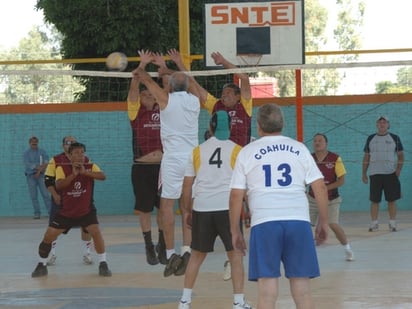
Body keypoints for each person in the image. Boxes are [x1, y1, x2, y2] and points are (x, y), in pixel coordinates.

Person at [229, 103, 329, 309]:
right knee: (302, 290)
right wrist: (323, 222)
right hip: (298, 222)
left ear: (258, 126)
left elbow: (236, 195)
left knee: (266, 292)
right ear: (283, 124)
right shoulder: (299, 148)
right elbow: (320, 187)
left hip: (265, 223)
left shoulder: (247, 152)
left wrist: (235, 231)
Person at [166, 49, 252, 280]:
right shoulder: (216, 107)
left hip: (239, 162)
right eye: (222, 93)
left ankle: (233, 253)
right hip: (220, 165)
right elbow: (194, 86)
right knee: (224, 207)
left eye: (227, 93)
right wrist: (180, 64)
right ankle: (227, 253)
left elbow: (243, 78)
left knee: (241, 204)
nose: (223, 96)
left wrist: (223, 61)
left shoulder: (245, 105)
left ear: (236, 95)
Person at [135, 51, 201, 277]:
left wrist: (143, 64)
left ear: (171, 87)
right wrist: (169, 67)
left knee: (166, 206)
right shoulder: (196, 100)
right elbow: (191, 83)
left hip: (172, 159)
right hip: (193, 158)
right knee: (188, 207)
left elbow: (143, 78)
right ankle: (187, 249)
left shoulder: (165, 99)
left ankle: (171, 252)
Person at [178, 111, 252, 309]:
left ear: (210, 127)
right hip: (228, 209)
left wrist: (187, 211)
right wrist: (248, 209)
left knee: (196, 256)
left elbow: (186, 186)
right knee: (235, 257)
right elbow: (244, 186)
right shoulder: (238, 150)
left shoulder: (197, 151)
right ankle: (238, 302)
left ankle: (184, 301)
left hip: (202, 208)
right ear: (230, 127)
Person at [31, 142, 112, 278]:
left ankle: (103, 264)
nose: (80, 156)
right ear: (69, 155)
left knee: (96, 232)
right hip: (66, 212)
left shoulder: (90, 165)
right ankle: (41, 264)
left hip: (86, 211)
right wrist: (74, 175)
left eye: (82, 153)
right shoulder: (62, 168)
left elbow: (103, 176)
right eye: (76, 153)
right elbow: (59, 185)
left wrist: (85, 172)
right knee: (48, 237)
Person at [127, 52, 166, 266]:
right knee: (144, 210)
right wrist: (141, 65)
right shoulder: (136, 112)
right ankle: (148, 245)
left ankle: (161, 244)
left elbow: (167, 88)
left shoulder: (164, 109)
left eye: (150, 94)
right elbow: (133, 91)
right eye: (145, 95)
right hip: (142, 168)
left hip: (163, 168)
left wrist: (162, 66)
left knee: (163, 207)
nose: (148, 96)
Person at [44, 136, 94, 266]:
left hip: (80, 201)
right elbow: (48, 180)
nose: (70, 144)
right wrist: (55, 195)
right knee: (53, 229)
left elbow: (91, 177)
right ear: (63, 146)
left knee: (86, 227)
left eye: (73, 142)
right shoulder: (55, 160)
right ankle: (52, 254)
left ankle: (87, 253)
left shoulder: (86, 159)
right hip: (62, 201)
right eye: (68, 142)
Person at [308, 133, 354, 261]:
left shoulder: (335, 158)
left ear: (326, 144)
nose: (317, 143)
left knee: (333, 223)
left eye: (320, 140)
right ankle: (306, 252)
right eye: (315, 141)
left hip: (331, 199)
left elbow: (341, 181)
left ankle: (347, 248)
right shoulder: (309, 158)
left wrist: (324, 189)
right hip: (312, 198)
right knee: (304, 225)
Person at [362, 116, 404, 232]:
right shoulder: (371, 138)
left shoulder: (395, 138)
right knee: (374, 200)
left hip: (390, 174)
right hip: (375, 174)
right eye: (380, 122)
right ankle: (374, 223)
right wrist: (364, 173)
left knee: (392, 199)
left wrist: (399, 168)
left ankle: (392, 223)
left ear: (388, 125)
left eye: (384, 122)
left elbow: (400, 155)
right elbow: (366, 156)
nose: (382, 124)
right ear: (377, 125)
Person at [23, 136, 51, 219]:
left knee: (46, 194)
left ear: (37, 142)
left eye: (35, 142)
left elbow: (46, 162)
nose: (34, 144)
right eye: (32, 142)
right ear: (29, 143)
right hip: (31, 176)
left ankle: (50, 212)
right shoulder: (26, 153)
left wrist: (39, 171)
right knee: (33, 196)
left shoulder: (42, 152)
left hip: (41, 175)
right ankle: (37, 213)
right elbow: (28, 164)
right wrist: (37, 168)